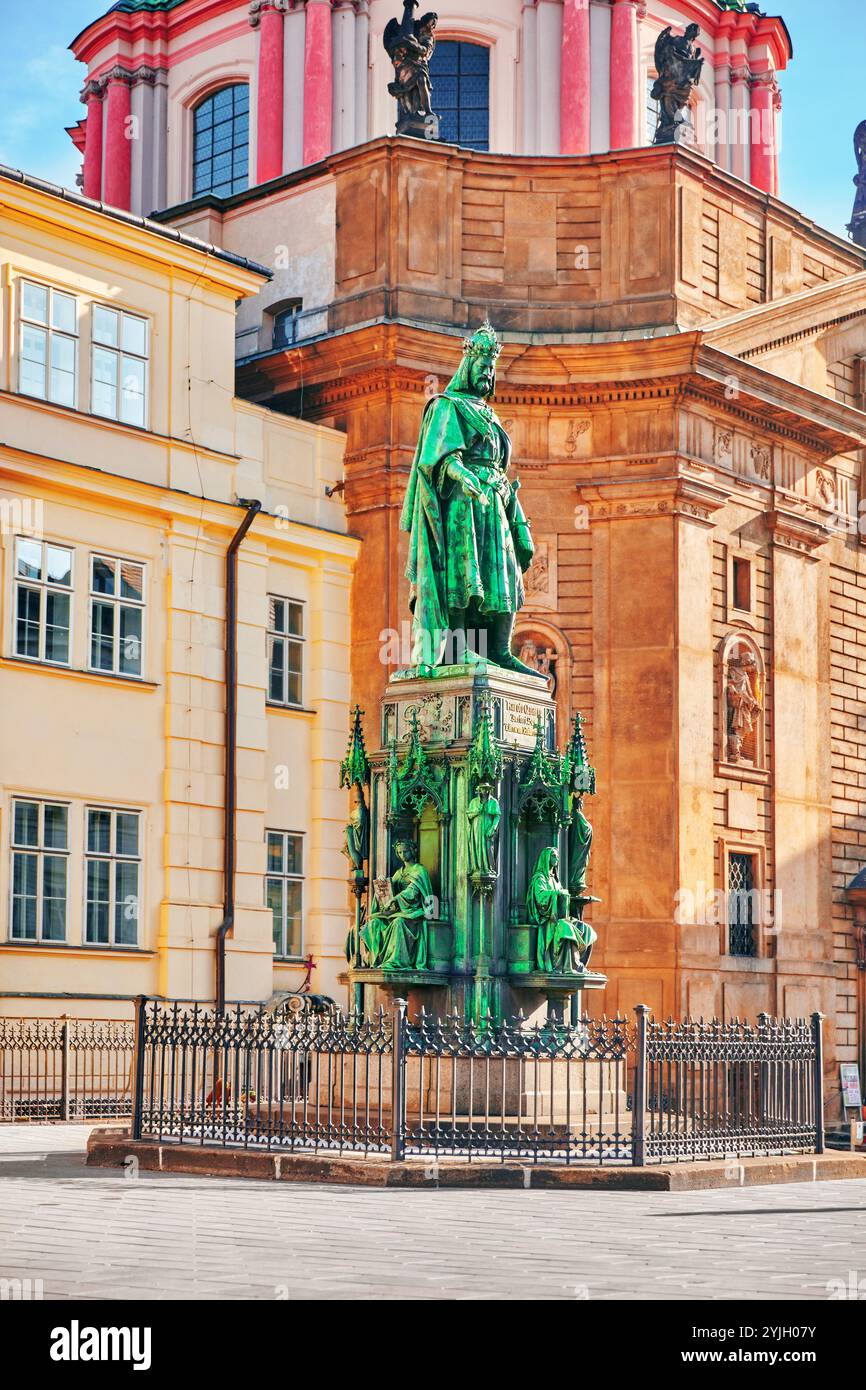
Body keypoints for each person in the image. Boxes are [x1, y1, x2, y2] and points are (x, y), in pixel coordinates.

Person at [400, 321, 543, 678]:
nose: (488, 374)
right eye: (483, 367)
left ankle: (497, 649)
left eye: (492, 368)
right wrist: (461, 474)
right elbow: (438, 455)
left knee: (506, 575)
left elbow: (499, 466)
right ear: (469, 366)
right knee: (466, 570)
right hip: (463, 506)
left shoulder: (489, 414)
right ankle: (458, 644)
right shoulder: (448, 406)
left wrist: (513, 510)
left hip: (494, 504)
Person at [361, 838, 432, 970]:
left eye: (405, 851)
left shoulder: (419, 870)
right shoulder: (399, 872)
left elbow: (412, 892)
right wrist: (382, 884)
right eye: (399, 852)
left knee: (398, 922)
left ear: (412, 851)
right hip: (398, 911)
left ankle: (395, 961)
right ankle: (376, 960)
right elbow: (390, 888)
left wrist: (394, 900)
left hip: (413, 912)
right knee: (374, 923)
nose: (402, 855)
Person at [527, 846, 597, 974]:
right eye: (554, 856)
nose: (557, 859)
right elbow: (540, 898)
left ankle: (580, 965)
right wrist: (557, 894)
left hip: (561, 918)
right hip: (549, 921)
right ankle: (567, 966)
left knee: (586, 929)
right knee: (566, 928)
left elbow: (561, 896)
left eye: (557, 856)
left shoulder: (555, 879)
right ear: (546, 858)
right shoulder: (539, 878)